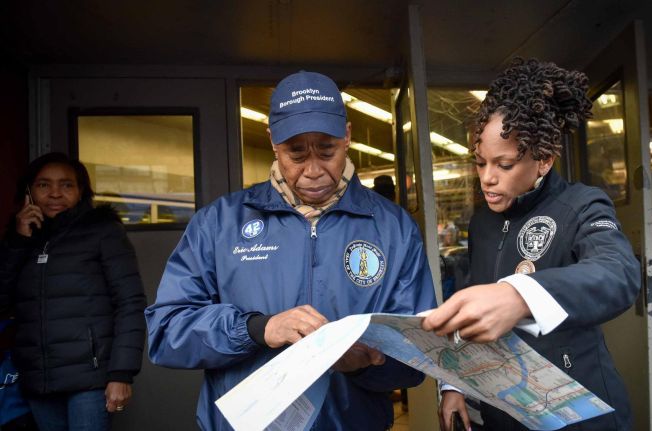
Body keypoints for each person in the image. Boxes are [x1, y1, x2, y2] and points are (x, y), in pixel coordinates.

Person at [145, 71, 436, 430]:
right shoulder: (219, 223)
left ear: (347, 137)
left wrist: (364, 363)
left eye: (326, 150)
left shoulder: (394, 228)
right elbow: (166, 331)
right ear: (273, 142)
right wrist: (256, 329)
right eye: (296, 153)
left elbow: (421, 357)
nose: (313, 170)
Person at [421, 58, 640, 430]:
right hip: (505, 411)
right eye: (479, 163)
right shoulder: (481, 224)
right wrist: (453, 382)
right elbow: (472, 310)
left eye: (504, 166)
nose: (487, 179)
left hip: (579, 411)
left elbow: (617, 272)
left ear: (543, 160)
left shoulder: (582, 205)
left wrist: (520, 296)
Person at [0, 152, 147, 430]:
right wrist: (18, 241)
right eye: (44, 185)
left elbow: (130, 302)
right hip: (38, 380)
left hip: (90, 379)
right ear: (29, 192)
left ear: (81, 191)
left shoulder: (103, 231)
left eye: (66, 185)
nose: (55, 193)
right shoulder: (20, 238)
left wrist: (121, 374)